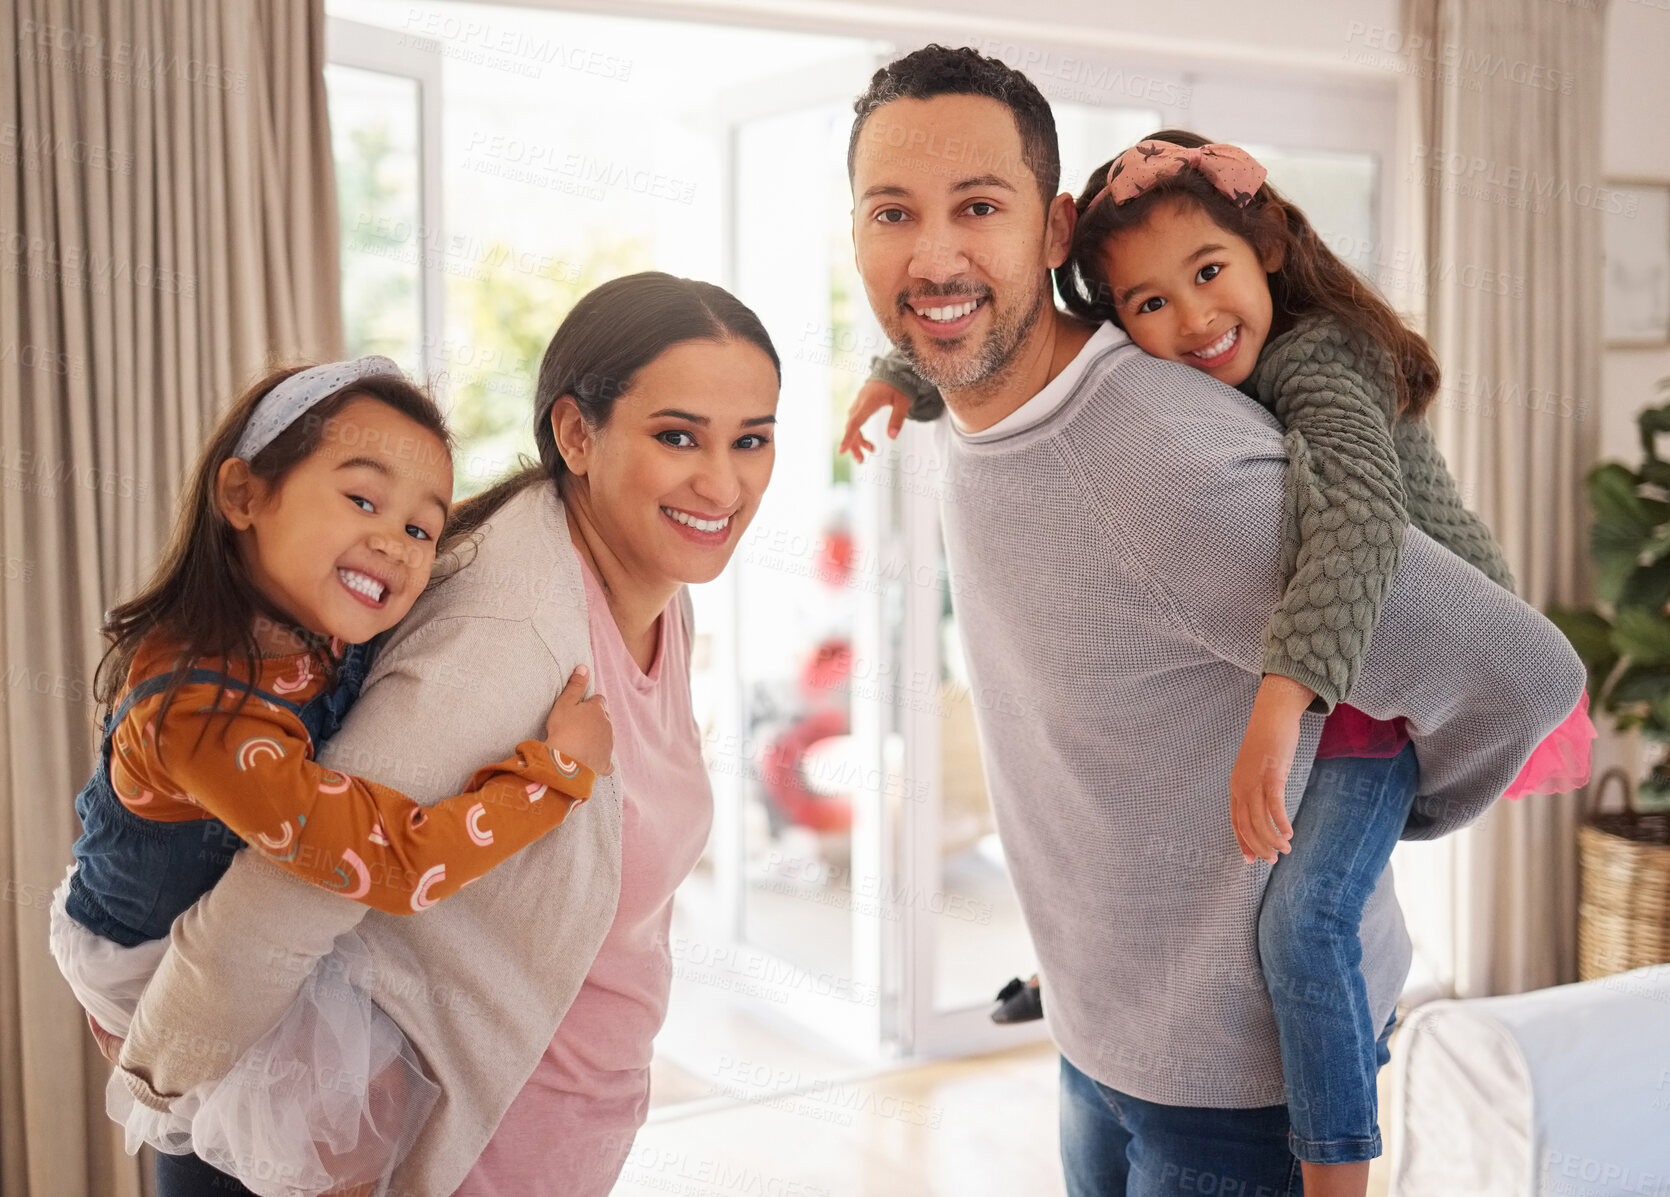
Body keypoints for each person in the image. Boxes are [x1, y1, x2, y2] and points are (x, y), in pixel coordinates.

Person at [844, 44, 1585, 1195]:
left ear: (1049, 233)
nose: (933, 252)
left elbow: (1521, 672)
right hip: (1099, 1034)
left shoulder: (1172, 462)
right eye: (892, 210)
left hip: (1238, 1091)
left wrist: (1384, 803)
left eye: (976, 207)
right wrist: (898, 372)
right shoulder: (975, 404)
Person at [102, 273, 781, 1197]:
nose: (723, 480)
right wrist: (157, 1079)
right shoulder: (506, 633)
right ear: (577, 433)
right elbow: (294, 890)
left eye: (752, 440)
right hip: (409, 1159)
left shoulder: (654, 583)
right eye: (677, 436)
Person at [47, 357, 611, 1194]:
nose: (395, 541)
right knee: (336, 1136)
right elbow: (390, 859)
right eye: (361, 498)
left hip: (215, 891)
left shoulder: (309, 612)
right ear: (242, 495)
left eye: (422, 528)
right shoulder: (200, 711)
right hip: (143, 948)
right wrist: (555, 777)